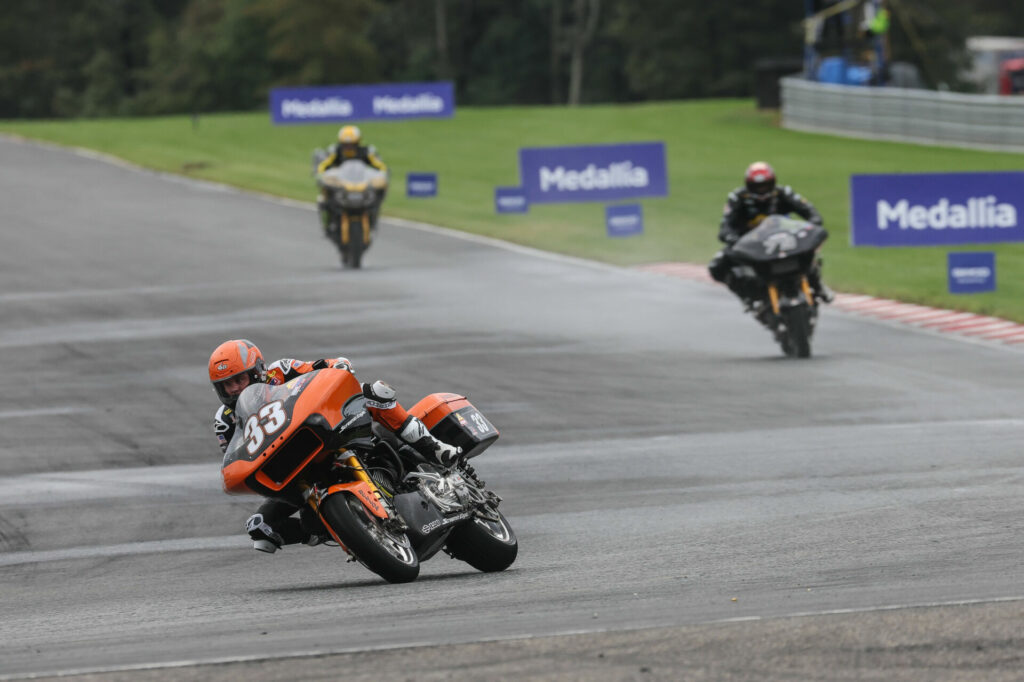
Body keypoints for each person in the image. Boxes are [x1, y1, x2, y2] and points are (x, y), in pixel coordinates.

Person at [208, 339, 460, 554]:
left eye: (238, 379)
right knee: (259, 526)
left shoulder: (280, 371)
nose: (233, 389)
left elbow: (321, 367)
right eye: (225, 385)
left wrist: (338, 366)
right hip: (292, 473)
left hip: (322, 434)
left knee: (376, 392)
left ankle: (434, 447)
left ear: (257, 370)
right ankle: (330, 530)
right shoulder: (225, 420)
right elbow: (237, 457)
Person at [708, 161, 833, 306]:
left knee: (810, 251)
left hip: (785, 239)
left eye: (765, 185)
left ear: (773, 182)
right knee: (717, 266)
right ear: (748, 185)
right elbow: (725, 225)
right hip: (751, 245)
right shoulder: (737, 198)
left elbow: (810, 212)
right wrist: (732, 238)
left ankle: (818, 286)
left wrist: (812, 224)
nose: (762, 190)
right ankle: (749, 296)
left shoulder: (783, 193)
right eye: (757, 186)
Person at [316, 125, 388, 233]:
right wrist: (322, 175)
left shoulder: (366, 152)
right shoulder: (335, 151)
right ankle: (328, 222)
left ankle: (372, 217)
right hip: (340, 184)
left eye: (352, 145)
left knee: (378, 191)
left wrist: (381, 175)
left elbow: (380, 166)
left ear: (357, 143)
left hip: (360, 183)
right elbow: (323, 166)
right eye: (346, 145)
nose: (349, 148)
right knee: (323, 198)